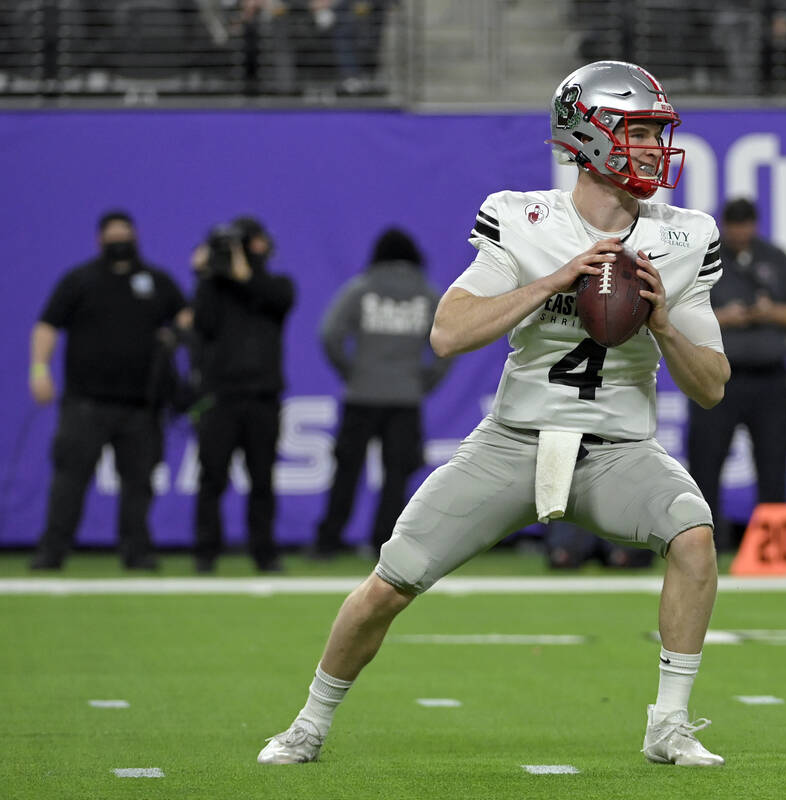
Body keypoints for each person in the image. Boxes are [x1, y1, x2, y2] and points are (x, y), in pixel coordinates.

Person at [257, 60, 729, 768]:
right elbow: (449, 331)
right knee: (390, 584)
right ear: (588, 134)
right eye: (636, 131)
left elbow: (713, 384)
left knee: (694, 537)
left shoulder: (684, 236)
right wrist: (555, 281)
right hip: (514, 442)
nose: (651, 148)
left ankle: (669, 725)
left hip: (619, 449)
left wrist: (663, 323)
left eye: (654, 132)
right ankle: (309, 722)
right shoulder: (524, 217)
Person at [29, 210, 188, 570]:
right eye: (113, 236)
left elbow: (187, 317)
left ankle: (137, 551)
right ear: (100, 240)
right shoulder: (80, 280)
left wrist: (176, 336)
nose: (120, 242)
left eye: (125, 234)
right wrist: (39, 369)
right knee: (70, 479)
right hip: (85, 403)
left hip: (140, 405)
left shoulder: (156, 281)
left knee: (139, 484)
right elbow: (46, 326)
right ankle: (53, 549)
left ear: (136, 236)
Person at [312, 227, 451, 560]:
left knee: (347, 470)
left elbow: (329, 334)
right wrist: (425, 380)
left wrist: (352, 371)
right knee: (397, 474)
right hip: (405, 397)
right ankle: (384, 541)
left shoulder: (361, 289)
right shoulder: (428, 294)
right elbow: (448, 343)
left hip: (360, 395)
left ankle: (329, 540)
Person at [686, 197, 786, 551]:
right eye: (735, 225)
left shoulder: (775, 258)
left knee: (774, 462)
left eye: (747, 224)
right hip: (717, 376)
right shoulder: (706, 257)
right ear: (725, 226)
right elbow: (681, 311)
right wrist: (723, 317)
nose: (741, 231)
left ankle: (771, 549)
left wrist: (770, 312)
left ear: (755, 224)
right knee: (706, 462)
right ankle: (706, 542)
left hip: (769, 377)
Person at [190, 216, 295, 574]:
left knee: (262, 479)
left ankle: (264, 553)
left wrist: (242, 273)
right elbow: (201, 324)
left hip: (263, 397)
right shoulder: (211, 287)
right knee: (212, 477)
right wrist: (205, 276)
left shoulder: (277, 285)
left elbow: (276, 299)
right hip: (220, 397)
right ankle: (206, 553)